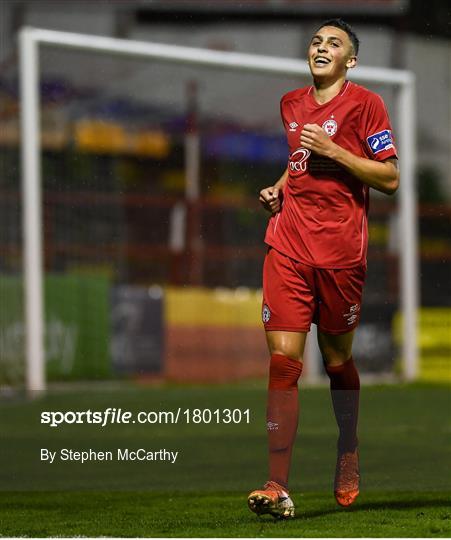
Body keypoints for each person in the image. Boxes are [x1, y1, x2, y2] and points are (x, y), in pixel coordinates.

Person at [247, 18, 399, 519]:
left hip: (340, 255)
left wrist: (335, 150)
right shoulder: (291, 103)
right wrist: (279, 188)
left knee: (336, 362)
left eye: (334, 43)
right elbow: (298, 161)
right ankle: (276, 483)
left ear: (349, 61)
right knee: (284, 363)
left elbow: (391, 178)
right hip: (288, 244)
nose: (321, 47)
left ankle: (348, 445)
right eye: (316, 41)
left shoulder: (367, 105)